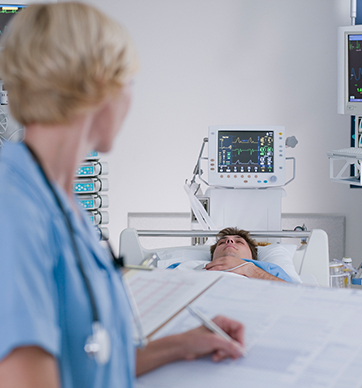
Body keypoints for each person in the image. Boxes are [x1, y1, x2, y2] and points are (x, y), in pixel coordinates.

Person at [0, 3, 244, 388]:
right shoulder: (13, 207)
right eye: (129, 81)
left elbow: (92, 360)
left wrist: (182, 345)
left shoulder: (62, 203)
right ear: (100, 84)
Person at [168, 227, 294, 282]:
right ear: (213, 255)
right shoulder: (183, 266)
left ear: (252, 255)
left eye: (239, 241)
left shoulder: (268, 270)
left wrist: (250, 270)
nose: (229, 241)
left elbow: (298, 298)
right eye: (222, 242)